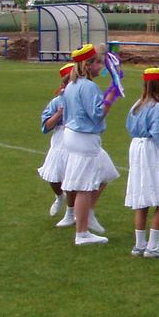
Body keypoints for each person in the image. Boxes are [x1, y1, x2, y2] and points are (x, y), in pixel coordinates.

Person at [58, 43, 120, 246]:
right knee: (85, 186)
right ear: (88, 64)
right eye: (98, 63)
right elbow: (98, 114)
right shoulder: (88, 86)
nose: (101, 67)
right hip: (84, 138)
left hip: (73, 135)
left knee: (107, 172)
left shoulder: (72, 85)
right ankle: (82, 233)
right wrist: (111, 95)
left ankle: (87, 214)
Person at [125, 67, 159, 258]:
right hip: (149, 150)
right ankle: (153, 246)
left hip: (135, 148)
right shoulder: (158, 108)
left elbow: (129, 127)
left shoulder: (136, 105)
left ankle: (140, 244)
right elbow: (157, 135)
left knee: (142, 197)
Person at [37, 62, 75, 218]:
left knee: (73, 178)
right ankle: (59, 197)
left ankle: (71, 212)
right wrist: (58, 114)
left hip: (77, 139)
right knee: (53, 176)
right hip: (60, 142)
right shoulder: (56, 102)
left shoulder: (83, 98)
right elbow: (46, 126)